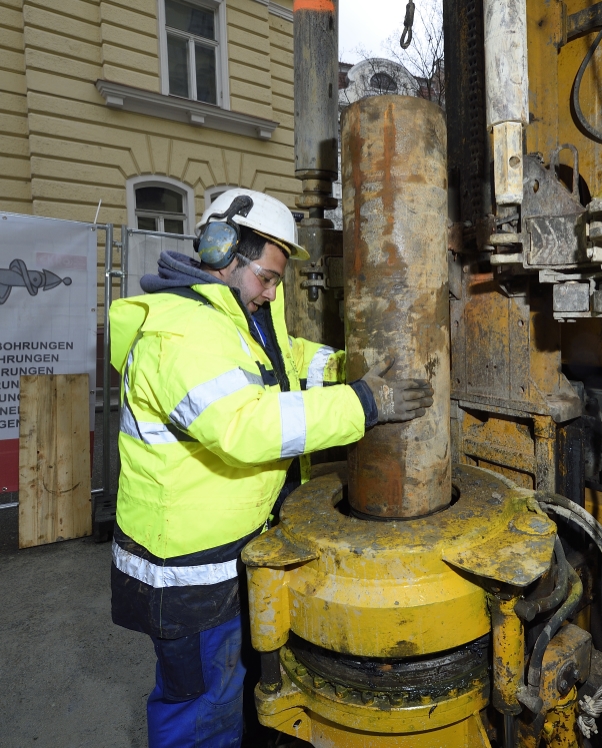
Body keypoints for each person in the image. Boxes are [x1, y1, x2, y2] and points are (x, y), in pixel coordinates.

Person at [108, 188, 433, 748]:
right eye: (267, 277)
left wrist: (346, 368)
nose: (270, 291)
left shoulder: (233, 314)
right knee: (200, 713)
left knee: (238, 692)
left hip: (234, 551)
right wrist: (364, 403)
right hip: (188, 571)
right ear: (221, 250)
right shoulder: (181, 332)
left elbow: (283, 364)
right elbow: (247, 426)